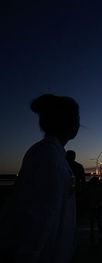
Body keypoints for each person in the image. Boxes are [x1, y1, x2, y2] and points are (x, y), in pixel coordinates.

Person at [0, 94, 80, 263]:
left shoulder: (49, 154)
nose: (79, 124)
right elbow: (38, 216)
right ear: (67, 122)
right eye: (76, 118)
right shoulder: (49, 158)